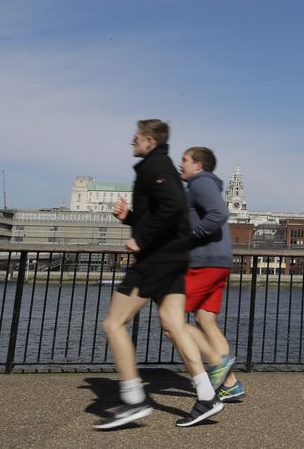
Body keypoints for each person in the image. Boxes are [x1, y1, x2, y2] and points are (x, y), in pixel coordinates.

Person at [95, 120, 224, 430]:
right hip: (173, 258)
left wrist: (141, 238)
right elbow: (164, 211)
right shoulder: (161, 165)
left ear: (149, 141)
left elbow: (172, 208)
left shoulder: (154, 166)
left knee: (114, 324)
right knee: (174, 324)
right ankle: (207, 395)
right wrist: (130, 218)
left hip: (155, 259)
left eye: (136, 138)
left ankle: (134, 399)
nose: (131, 142)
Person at [178, 146, 244, 402]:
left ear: (199, 164)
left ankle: (217, 367)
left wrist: (189, 236)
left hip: (204, 261)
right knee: (205, 321)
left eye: (184, 160)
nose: (180, 164)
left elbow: (219, 214)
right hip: (218, 261)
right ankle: (231, 385)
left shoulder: (200, 183)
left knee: (170, 321)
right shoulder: (206, 185)